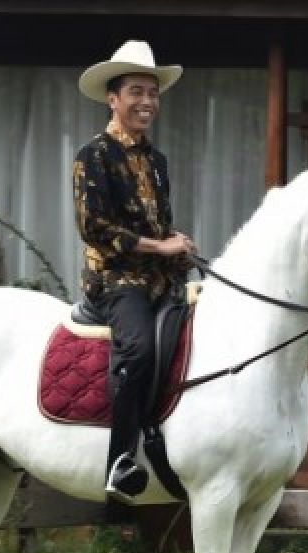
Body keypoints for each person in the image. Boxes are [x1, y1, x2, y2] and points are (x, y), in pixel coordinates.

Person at [73, 40, 197, 502]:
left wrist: (177, 244)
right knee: (141, 350)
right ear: (113, 98)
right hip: (115, 281)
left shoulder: (157, 161)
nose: (147, 102)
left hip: (163, 279)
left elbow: (156, 225)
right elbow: (94, 229)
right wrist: (160, 246)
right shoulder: (93, 156)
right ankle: (120, 460)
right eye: (136, 92)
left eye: (153, 93)